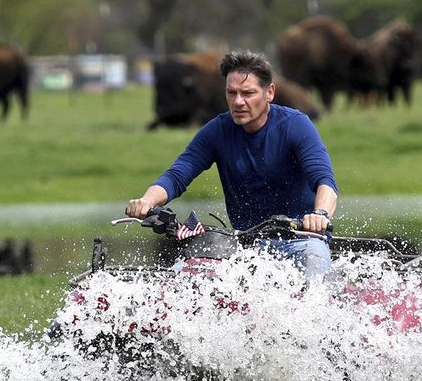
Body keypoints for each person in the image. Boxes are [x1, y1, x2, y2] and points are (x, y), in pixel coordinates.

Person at [126, 50, 338, 278]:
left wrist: (320, 215)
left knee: (314, 260)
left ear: (270, 93)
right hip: (244, 247)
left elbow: (325, 183)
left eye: (248, 93)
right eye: (232, 93)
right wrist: (147, 201)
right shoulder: (217, 131)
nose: (238, 101)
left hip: (302, 241)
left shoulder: (296, 125)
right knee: (187, 272)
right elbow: (176, 176)